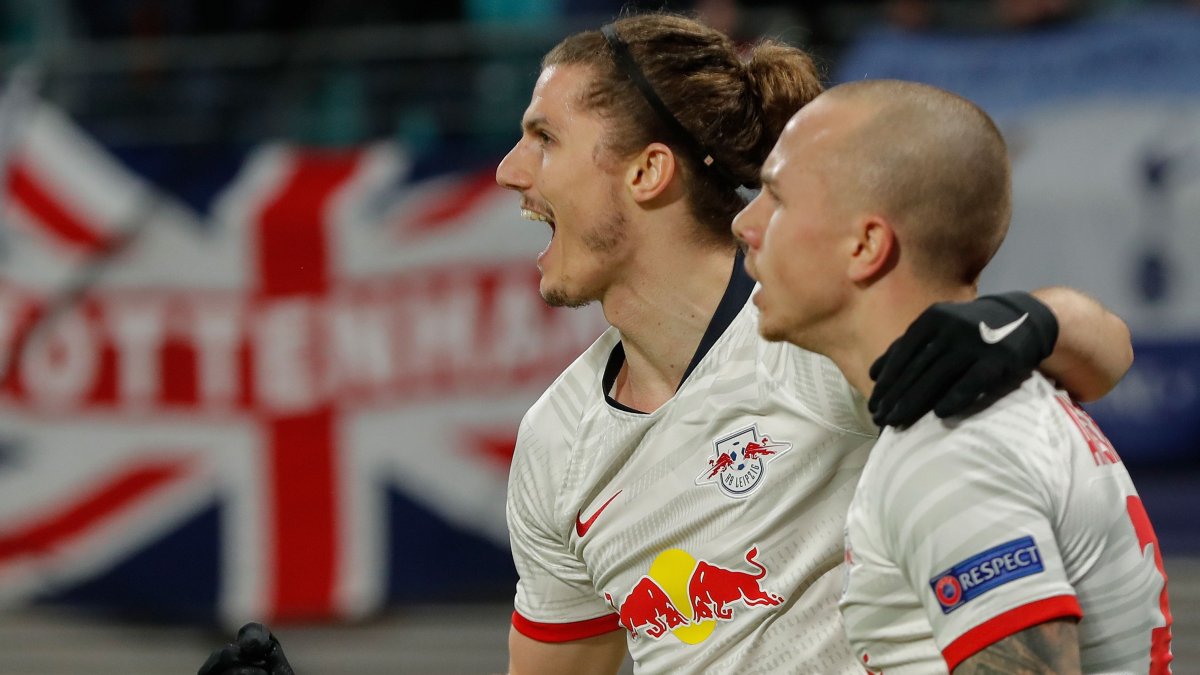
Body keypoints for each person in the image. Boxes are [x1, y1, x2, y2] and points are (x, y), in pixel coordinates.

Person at [198, 12, 1134, 675]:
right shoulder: (559, 441)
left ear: (647, 172)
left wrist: (1037, 320)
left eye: (543, 138)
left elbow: (1090, 357)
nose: (507, 171)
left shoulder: (814, 330)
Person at [732, 79, 1172, 672]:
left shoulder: (951, 448)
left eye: (777, 198)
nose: (746, 223)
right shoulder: (986, 399)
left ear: (866, 245)